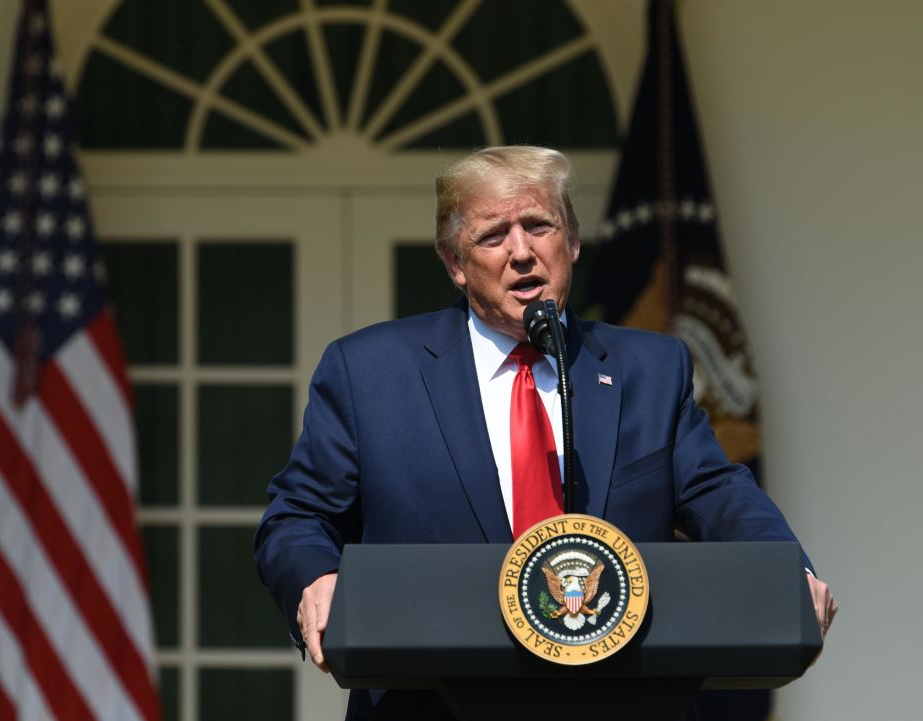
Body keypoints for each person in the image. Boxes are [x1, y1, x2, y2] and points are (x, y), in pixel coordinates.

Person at [254, 146, 836, 720]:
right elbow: (298, 516)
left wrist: (790, 571)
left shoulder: (650, 369)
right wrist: (316, 579)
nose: (522, 252)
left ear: (573, 242)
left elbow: (718, 493)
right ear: (456, 263)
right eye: (492, 236)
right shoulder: (370, 373)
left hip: (621, 701)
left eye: (539, 226)